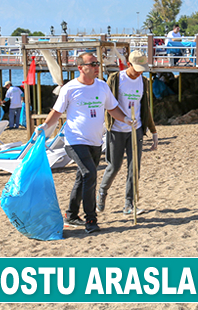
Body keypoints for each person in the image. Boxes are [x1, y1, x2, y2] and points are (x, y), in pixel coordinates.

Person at [38, 52, 133, 234]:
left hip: (96, 140)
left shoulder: (102, 87)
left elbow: (112, 108)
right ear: (81, 67)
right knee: (90, 173)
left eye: (98, 63)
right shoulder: (70, 88)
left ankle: (71, 215)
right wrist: (44, 127)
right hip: (75, 140)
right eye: (92, 64)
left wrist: (127, 120)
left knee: (82, 178)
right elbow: (57, 112)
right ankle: (91, 219)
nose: (97, 66)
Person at [97, 50, 158, 215]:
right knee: (114, 166)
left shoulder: (143, 81)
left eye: (142, 68)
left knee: (134, 168)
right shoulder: (116, 79)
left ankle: (129, 204)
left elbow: (145, 108)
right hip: (116, 130)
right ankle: (102, 191)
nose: (139, 72)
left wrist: (153, 131)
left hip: (135, 130)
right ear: (128, 64)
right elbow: (107, 104)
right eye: (136, 68)